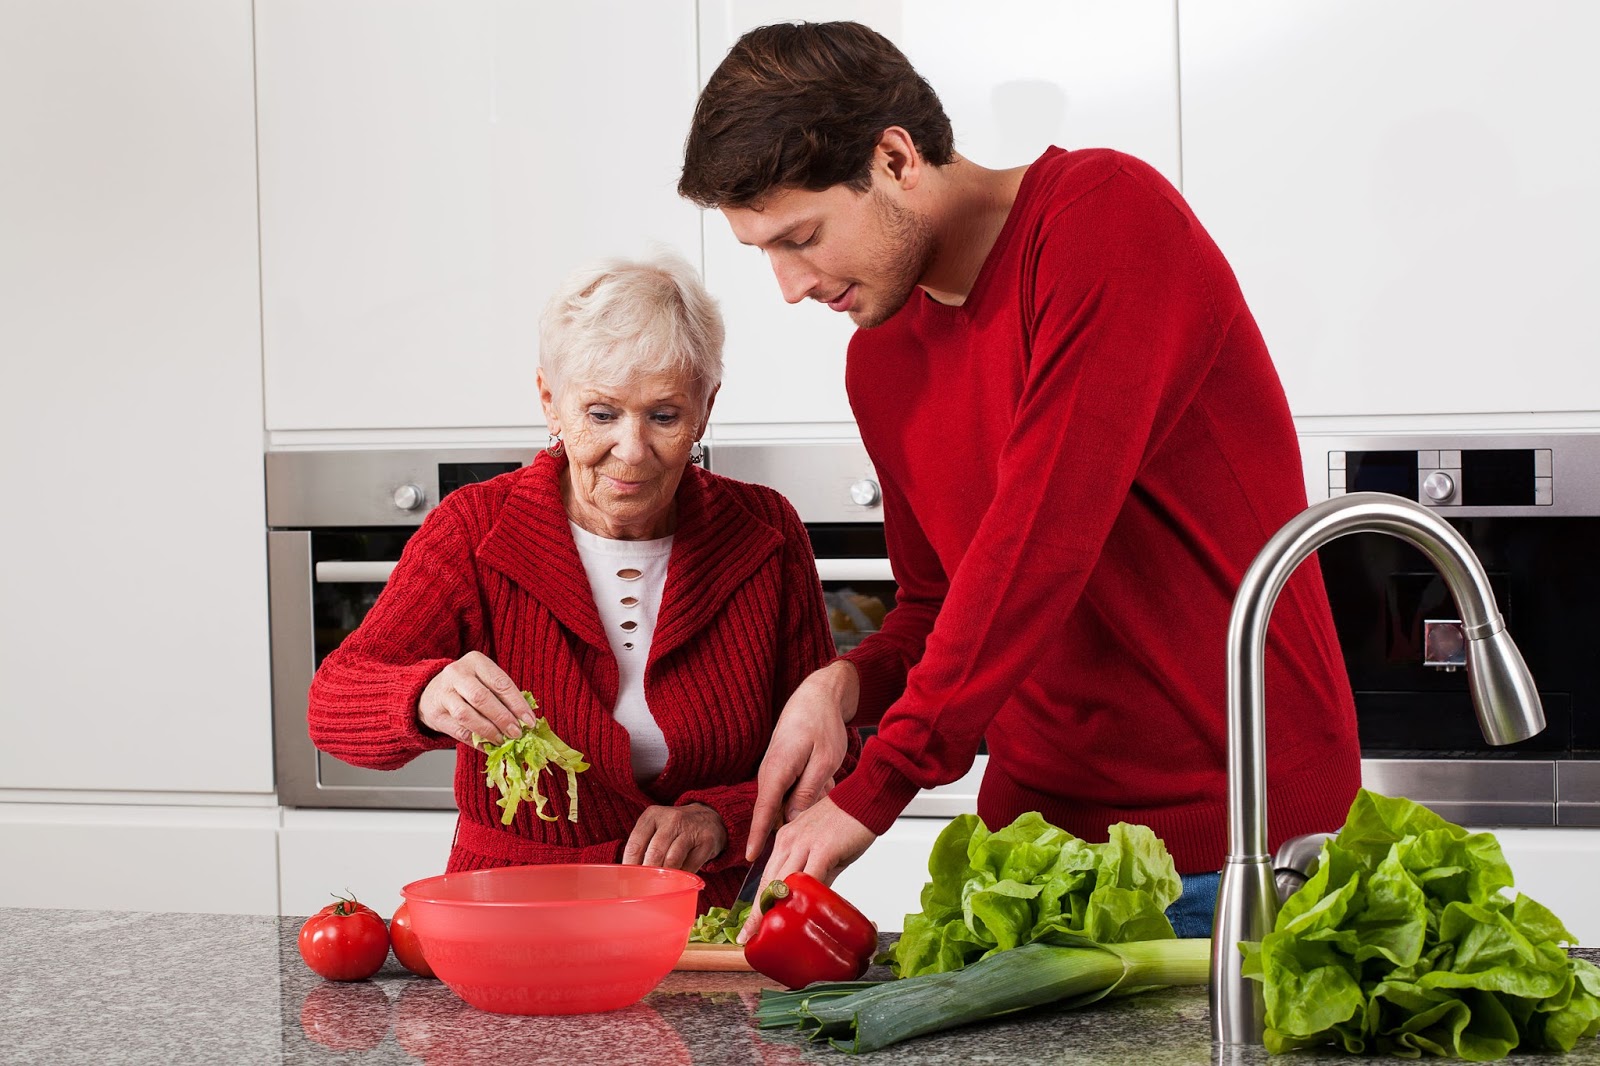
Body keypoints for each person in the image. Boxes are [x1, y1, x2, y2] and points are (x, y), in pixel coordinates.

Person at [677, 21, 1361, 936]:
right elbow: (938, 605)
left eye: (800, 237)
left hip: (1237, 846)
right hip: (1034, 854)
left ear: (894, 157)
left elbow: (1039, 544)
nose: (789, 286)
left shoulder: (1103, 219)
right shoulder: (882, 361)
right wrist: (845, 686)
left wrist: (876, 788)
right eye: (764, 251)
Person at [307, 250, 857, 909]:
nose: (632, 451)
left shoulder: (764, 533)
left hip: (707, 922)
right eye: (601, 414)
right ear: (551, 400)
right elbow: (332, 706)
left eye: (663, 416)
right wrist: (422, 695)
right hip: (512, 913)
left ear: (705, 410)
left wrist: (718, 820)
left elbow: (830, 753)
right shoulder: (474, 530)